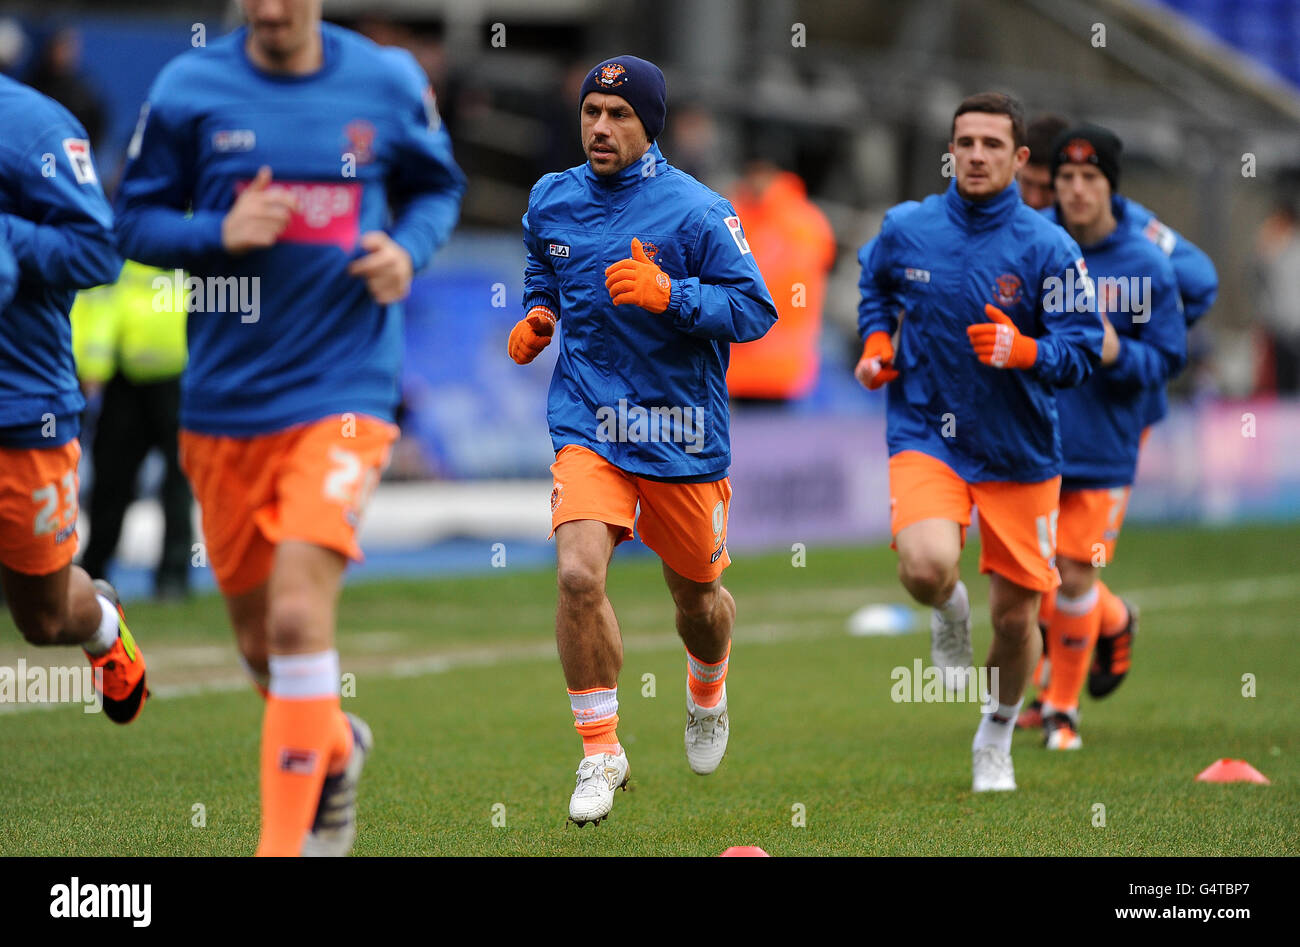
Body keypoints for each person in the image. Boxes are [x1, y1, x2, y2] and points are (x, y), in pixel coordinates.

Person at [115, 0, 465, 856]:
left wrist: (407, 250)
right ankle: (334, 748)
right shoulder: (189, 86)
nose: (272, 9)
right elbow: (131, 222)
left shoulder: (385, 81)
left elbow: (437, 186)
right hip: (225, 403)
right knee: (261, 644)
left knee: (302, 621)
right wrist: (215, 231)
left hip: (345, 390)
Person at [509, 54, 777, 825]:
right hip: (588, 423)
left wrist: (673, 295)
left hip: (680, 433)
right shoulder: (550, 198)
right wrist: (539, 318)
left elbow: (756, 310)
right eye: (592, 110)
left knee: (698, 596)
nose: (600, 125)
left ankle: (707, 682)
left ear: (649, 124)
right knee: (577, 576)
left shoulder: (697, 211)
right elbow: (543, 269)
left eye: (618, 114)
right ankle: (601, 748)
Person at [855, 92, 1101, 791]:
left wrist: (1023, 349)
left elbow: (1081, 351)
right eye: (966, 142)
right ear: (951, 150)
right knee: (927, 566)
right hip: (927, 430)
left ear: (1022, 160)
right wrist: (877, 342)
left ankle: (995, 732)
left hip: (1018, 450)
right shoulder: (906, 227)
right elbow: (875, 286)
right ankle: (948, 609)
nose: (977, 155)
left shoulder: (1049, 248)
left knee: (1019, 619)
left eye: (993, 144)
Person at [1015, 117, 1218, 725]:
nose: (1045, 195)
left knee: (1075, 565)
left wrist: (1127, 343)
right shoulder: (1035, 238)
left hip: (1111, 425)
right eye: (1054, 180)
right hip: (1036, 430)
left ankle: (1060, 699)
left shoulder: (1140, 247)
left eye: (1039, 185)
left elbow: (1198, 288)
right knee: (1036, 573)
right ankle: (1106, 626)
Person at [0, 73, 143, 723]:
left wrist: (7, 237)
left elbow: (99, 252)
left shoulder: (33, 126)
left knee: (44, 615)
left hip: (23, 406)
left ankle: (102, 624)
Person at [72, 260, 192, 600]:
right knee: (112, 478)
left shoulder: (179, 227)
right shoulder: (127, 230)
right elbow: (100, 300)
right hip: (124, 376)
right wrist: (93, 364)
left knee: (178, 479)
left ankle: (173, 577)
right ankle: (94, 570)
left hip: (176, 375)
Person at [726, 158, 836, 403]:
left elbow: (798, 285)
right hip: (741, 363)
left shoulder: (801, 222)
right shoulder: (735, 214)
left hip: (779, 362)